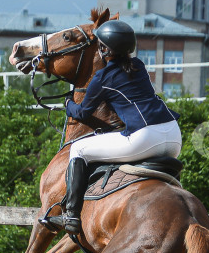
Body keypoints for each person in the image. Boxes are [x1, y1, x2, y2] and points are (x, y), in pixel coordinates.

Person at [47, 20, 182, 235]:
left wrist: (68, 104)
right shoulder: (138, 65)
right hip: (173, 134)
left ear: (104, 49)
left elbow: (82, 113)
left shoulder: (102, 77)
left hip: (145, 136)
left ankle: (71, 215)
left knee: (78, 149)